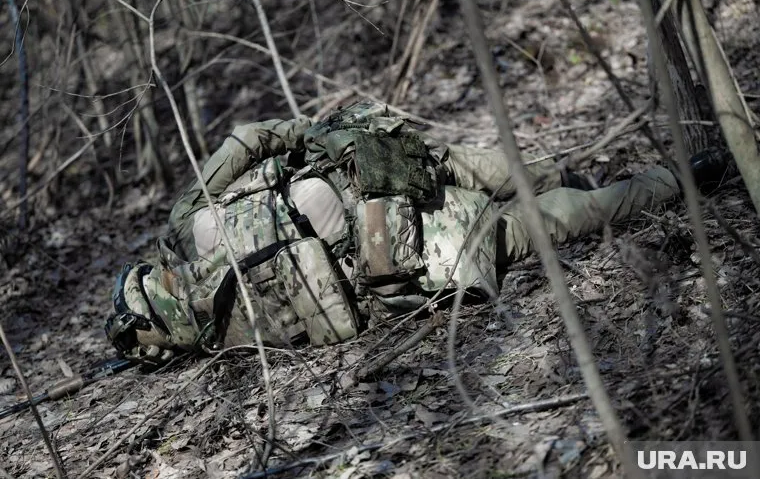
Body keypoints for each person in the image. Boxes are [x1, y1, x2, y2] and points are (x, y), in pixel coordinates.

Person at [104, 100, 728, 364]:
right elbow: (253, 138)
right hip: (391, 178)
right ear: (155, 278)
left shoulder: (234, 338)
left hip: (422, 251)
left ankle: (670, 182)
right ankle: (603, 175)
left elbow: (342, 318)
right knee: (507, 174)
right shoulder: (186, 228)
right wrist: (323, 136)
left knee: (555, 218)